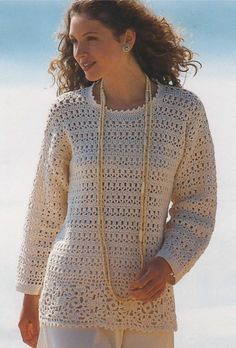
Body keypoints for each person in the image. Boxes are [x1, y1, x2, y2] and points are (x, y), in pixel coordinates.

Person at [16, 1, 217, 347]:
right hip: (71, 299)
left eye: (91, 38)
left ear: (127, 38)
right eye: (74, 42)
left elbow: (197, 207)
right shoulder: (68, 113)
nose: (80, 52)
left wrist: (169, 264)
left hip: (148, 300)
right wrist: (29, 296)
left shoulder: (183, 113)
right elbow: (45, 211)